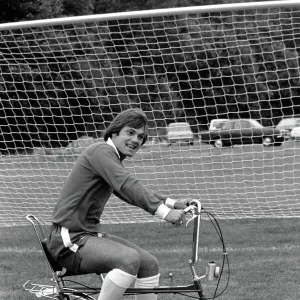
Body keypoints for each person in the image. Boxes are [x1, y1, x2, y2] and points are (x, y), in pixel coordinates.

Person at [47, 108, 190, 300]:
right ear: (114, 132)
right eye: (130, 133)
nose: (136, 140)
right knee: (129, 260)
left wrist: (173, 203)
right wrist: (164, 212)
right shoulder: (100, 151)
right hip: (69, 239)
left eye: (140, 137)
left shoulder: (110, 158)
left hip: (88, 235)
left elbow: (127, 189)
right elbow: (127, 184)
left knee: (149, 264)